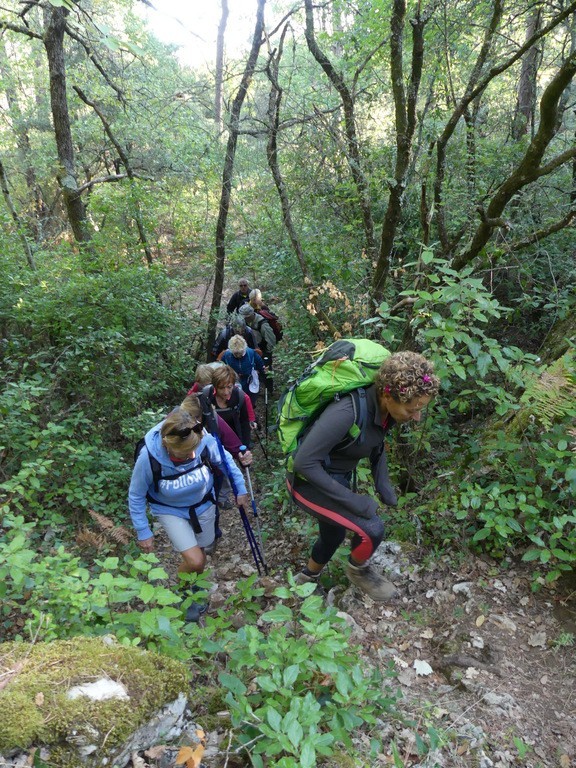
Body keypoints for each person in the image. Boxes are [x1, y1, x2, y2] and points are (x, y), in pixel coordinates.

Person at [287, 351, 440, 602]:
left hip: (336, 475)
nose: (417, 416)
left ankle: (306, 578)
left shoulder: (384, 410)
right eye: (413, 409)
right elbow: (305, 462)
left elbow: (376, 442)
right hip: (306, 482)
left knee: (334, 534)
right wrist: (353, 501)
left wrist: (382, 483)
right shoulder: (347, 411)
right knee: (371, 529)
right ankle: (359, 572)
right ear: (388, 395)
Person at [128, 407, 248, 622]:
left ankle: (194, 587)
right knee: (194, 559)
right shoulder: (149, 457)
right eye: (185, 454)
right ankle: (183, 592)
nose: (192, 455)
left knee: (200, 556)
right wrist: (143, 530)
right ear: (167, 446)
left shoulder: (200, 437)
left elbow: (225, 461)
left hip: (204, 504)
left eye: (193, 449)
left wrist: (240, 488)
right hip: (169, 509)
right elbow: (136, 495)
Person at [201, 364, 255, 449]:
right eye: (221, 388)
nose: (226, 392)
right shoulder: (206, 395)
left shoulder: (239, 396)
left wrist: (245, 447)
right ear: (215, 386)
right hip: (212, 442)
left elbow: (244, 423)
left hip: (234, 439)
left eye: (229, 387)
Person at [220, 335, 267, 407]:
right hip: (233, 382)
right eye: (235, 354)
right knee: (236, 402)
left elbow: (260, 364)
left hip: (249, 381)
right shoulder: (227, 355)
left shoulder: (250, 353)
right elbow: (221, 367)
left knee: (250, 402)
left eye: (240, 353)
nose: (238, 355)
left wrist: (263, 371)